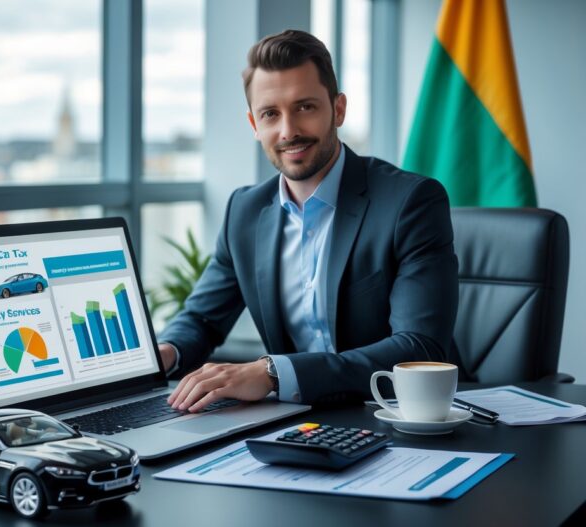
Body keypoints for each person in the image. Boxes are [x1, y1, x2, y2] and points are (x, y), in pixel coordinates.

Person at [160, 29, 459, 413]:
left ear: (338, 109)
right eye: (271, 114)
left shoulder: (410, 203)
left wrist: (273, 373)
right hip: (295, 424)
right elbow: (201, 319)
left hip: (397, 417)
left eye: (305, 107)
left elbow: (420, 347)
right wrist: (166, 351)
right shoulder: (244, 211)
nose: (289, 132)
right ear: (255, 125)